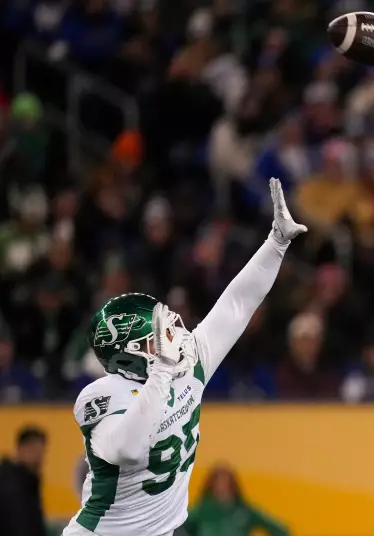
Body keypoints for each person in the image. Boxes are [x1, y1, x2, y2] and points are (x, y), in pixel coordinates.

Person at [62, 178, 307, 536]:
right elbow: (128, 449)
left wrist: (276, 243)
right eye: (158, 333)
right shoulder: (101, 395)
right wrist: (161, 373)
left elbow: (236, 305)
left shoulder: (186, 363)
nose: (175, 332)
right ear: (132, 353)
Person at [182, 465, 290, 536]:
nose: (221, 488)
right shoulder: (202, 511)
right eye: (218, 484)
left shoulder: (243, 511)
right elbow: (179, 528)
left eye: (225, 484)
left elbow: (279, 529)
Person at [0, 426, 48, 536]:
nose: (38, 456)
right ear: (20, 448)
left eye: (40, 451)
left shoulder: (28, 480)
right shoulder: (10, 484)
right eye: (33, 450)